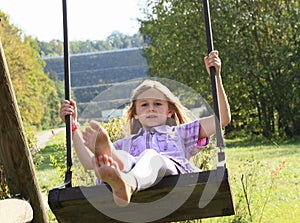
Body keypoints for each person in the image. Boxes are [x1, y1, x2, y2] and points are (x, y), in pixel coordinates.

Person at [60, 50, 231, 207]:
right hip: (134, 172)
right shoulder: (128, 143)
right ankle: (116, 167)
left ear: (170, 111)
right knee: (123, 156)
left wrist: (216, 76)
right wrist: (73, 126)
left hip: (175, 177)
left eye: (157, 104)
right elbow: (88, 162)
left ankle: (128, 184)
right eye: (144, 105)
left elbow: (222, 119)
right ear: (135, 113)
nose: (151, 108)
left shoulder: (180, 133)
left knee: (151, 156)